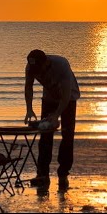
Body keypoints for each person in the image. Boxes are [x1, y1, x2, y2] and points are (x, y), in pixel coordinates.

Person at [24, 49, 80, 192]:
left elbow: (66, 95)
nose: (37, 72)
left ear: (46, 62)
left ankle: (63, 174)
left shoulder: (61, 64)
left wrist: (56, 114)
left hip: (69, 99)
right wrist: (29, 109)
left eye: (39, 68)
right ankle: (42, 174)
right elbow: (28, 87)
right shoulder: (31, 68)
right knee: (45, 134)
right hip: (49, 98)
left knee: (67, 135)